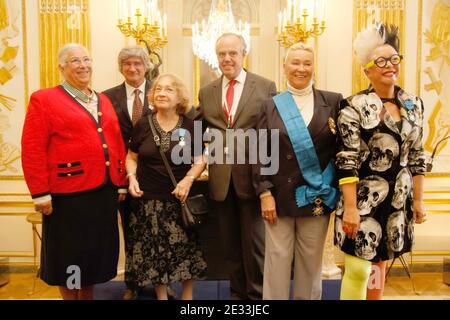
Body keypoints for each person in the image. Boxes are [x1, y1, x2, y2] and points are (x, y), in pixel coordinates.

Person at [21, 43, 127, 300]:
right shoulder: (44, 99)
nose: (83, 65)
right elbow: (32, 148)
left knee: (92, 256)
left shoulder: (101, 98)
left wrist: (121, 180)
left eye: (86, 59)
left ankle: (86, 298)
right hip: (67, 195)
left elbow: (114, 141)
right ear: (62, 67)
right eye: (75, 61)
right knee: (70, 256)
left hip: (103, 193)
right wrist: (40, 193)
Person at [335, 23, 427, 300]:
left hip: (398, 203)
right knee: (358, 270)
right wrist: (350, 208)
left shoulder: (414, 103)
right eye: (381, 61)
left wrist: (419, 201)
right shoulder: (354, 106)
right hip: (362, 202)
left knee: (379, 266)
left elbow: (418, 157)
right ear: (367, 70)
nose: (390, 65)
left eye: (394, 58)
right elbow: (347, 160)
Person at [253, 42, 342, 300]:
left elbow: (342, 149)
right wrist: (264, 193)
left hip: (317, 194)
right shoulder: (269, 106)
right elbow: (261, 153)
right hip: (279, 196)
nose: (301, 68)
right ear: (284, 67)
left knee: (310, 265)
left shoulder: (333, 102)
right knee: (276, 261)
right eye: (295, 62)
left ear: (314, 67)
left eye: (307, 63)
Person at [195, 32, 277, 300]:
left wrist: (268, 183)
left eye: (233, 53)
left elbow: (270, 137)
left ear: (244, 53)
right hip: (220, 182)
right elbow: (197, 130)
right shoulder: (207, 91)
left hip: (253, 181)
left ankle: (256, 298)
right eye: (222, 54)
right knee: (229, 247)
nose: (227, 59)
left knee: (255, 247)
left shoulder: (265, 86)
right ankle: (237, 297)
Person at [125, 74, 207, 300]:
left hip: (179, 200)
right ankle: (161, 297)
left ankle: (187, 297)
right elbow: (131, 157)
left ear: (179, 96)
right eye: (158, 89)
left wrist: (188, 179)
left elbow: (201, 159)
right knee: (154, 253)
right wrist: (131, 177)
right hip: (147, 201)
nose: (161, 93)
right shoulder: (142, 124)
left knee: (186, 252)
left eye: (168, 89)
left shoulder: (192, 126)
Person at [103, 45, 154, 300]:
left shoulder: (161, 91)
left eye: (137, 64)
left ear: (146, 66)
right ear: (121, 67)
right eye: (127, 64)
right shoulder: (106, 97)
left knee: (158, 230)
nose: (132, 68)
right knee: (131, 231)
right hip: (122, 177)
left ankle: (159, 283)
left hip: (158, 176)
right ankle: (132, 284)